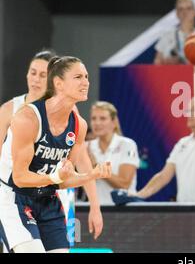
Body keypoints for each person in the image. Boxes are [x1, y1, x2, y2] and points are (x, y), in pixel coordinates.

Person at [0, 56, 111, 253]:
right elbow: (19, 177)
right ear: (58, 83)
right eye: (78, 77)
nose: (86, 82)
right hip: (13, 196)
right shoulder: (26, 117)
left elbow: (64, 179)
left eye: (86, 76)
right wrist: (54, 177)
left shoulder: (79, 124)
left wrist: (91, 176)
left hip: (47, 198)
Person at [111, 60, 195, 204]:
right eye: (189, 110)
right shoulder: (182, 143)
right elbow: (163, 176)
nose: (189, 113)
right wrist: (139, 195)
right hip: (186, 214)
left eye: (194, 110)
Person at [86, 101, 139, 205]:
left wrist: (96, 166)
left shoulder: (128, 145)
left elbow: (124, 184)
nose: (97, 123)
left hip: (123, 211)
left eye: (102, 118)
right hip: (94, 210)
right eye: (93, 118)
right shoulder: (85, 146)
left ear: (114, 122)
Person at [154, 0, 195, 64]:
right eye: (181, 9)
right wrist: (167, 63)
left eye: (188, 8)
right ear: (177, 14)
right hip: (173, 73)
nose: (185, 12)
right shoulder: (168, 35)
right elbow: (157, 62)